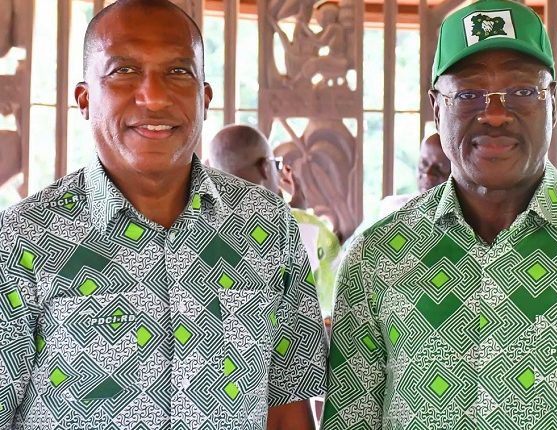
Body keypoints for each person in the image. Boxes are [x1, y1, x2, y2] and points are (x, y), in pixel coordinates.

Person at [322, 1, 557, 429]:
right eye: (468, 94)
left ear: (553, 103)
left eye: (522, 91)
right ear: (436, 109)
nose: (495, 114)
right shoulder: (376, 258)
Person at [0, 1, 326, 429]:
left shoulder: (267, 225)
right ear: (84, 99)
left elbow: (287, 408)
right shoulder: (21, 240)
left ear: (204, 98)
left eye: (177, 71)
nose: (153, 96)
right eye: (124, 70)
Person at [208, 124, 341, 319]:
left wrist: (293, 212)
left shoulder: (197, 225)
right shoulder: (303, 227)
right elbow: (333, 300)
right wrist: (298, 217)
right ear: (264, 168)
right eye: (275, 164)